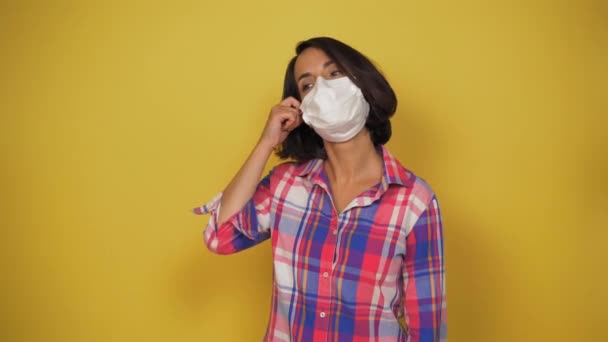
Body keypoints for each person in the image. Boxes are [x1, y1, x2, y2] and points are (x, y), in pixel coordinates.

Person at [192, 36, 447, 342]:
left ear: (362, 83)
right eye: (308, 85)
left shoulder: (414, 201)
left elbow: (427, 327)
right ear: (302, 111)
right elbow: (221, 238)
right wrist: (266, 142)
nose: (323, 88)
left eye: (334, 73)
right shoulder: (285, 185)